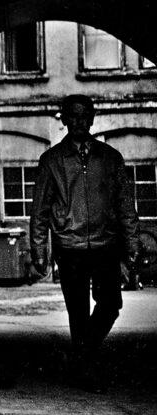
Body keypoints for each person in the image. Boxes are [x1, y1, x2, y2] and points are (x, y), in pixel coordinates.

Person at [29, 94, 141, 393]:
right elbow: (40, 210)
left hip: (106, 244)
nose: (78, 121)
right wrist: (39, 250)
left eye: (84, 116)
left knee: (111, 304)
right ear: (64, 119)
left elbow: (125, 204)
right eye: (73, 116)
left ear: (92, 118)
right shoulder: (52, 161)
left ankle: (80, 356)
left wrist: (132, 244)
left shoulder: (110, 158)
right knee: (77, 312)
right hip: (70, 247)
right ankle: (85, 369)